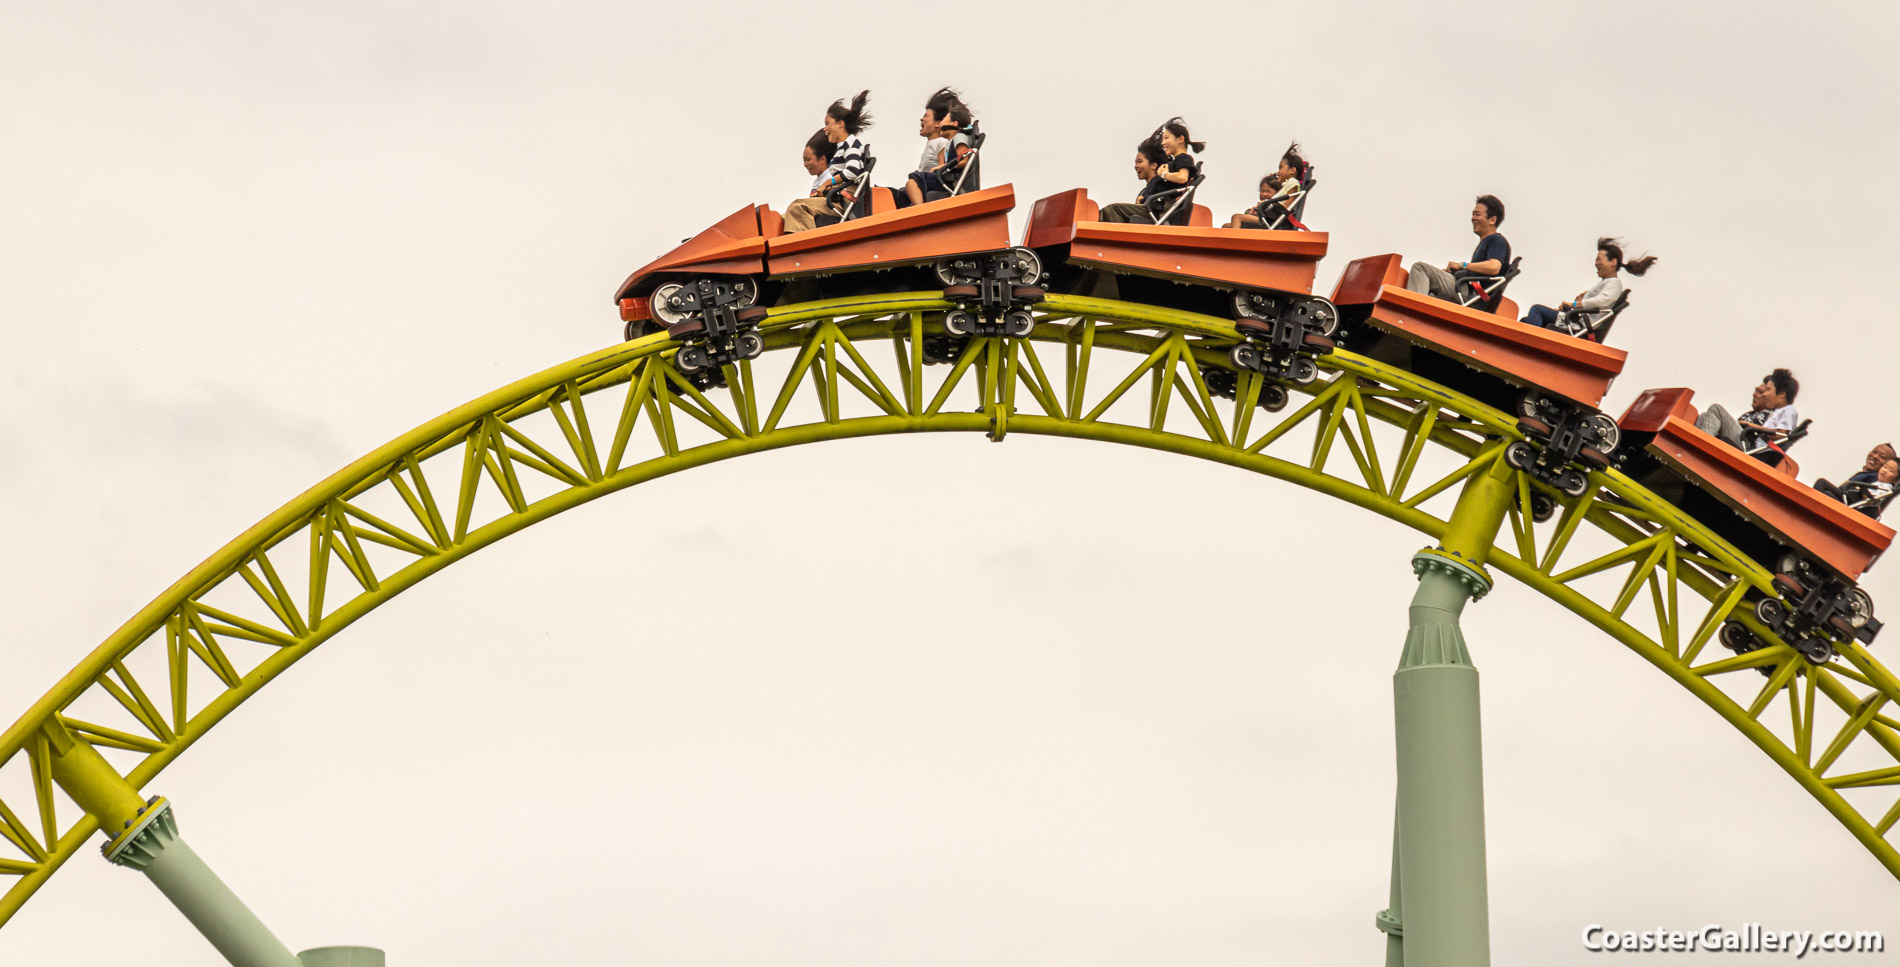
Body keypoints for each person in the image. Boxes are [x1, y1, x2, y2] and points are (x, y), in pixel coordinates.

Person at [1522, 238, 1659, 335]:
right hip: (1574, 320)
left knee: (1537, 310)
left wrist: (1575, 303)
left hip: (1578, 326)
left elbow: (1602, 301)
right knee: (1526, 321)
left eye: (1599, 259)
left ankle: (1527, 342)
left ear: (1613, 262)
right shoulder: (1605, 283)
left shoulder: (1614, 283)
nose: (1596, 263)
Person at [783, 91, 873, 233]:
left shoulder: (852, 144)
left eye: (827, 124)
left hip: (843, 203)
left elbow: (852, 172)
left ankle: (805, 248)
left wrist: (826, 183)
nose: (825, 129)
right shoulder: (841, 148)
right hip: (836, 197)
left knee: (798, 207)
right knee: (783, 217)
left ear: (840, 124)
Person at [1407, 195, 1510, 304]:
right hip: (1471, 289)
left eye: (1477, 214)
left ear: (1492, 220)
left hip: (1474, 293)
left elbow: (1494, 267)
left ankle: (1413, 307)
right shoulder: (1485, 242)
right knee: (1431, 291)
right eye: (1473, 214)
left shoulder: (1497, 240)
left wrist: (1463, 265)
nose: (1473, 218)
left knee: (1421, 269)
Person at [1101, 118, 1203, 225]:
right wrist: (1144, 198)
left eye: (1167, 138)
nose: (1163, 143)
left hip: (1159, 210)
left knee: (1114, 209)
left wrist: (1164, 174)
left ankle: (1118, 238)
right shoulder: (1176, 161)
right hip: (1154, 206)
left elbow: (1183, 178)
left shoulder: (1183, 158)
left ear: (1180, 139)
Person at [1694, 369, 1800, 456]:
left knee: (1716, 408)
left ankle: (1702, 444)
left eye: (1766, 391)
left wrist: (1751, 425)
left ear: (1781, 394)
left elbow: (1781, 435)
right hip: (1742, 438)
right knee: (1704, 416)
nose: (1761, 395)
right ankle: (1693, 446)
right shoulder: (1756, 413)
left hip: (1749, 446)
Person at [903, 89, 976, 206]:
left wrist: (942, 167)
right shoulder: (949, 142)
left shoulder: (957, 138)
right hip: (946, 177)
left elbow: (964, 160)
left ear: (954, 123)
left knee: (913, 181)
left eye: (944, 120)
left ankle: (920, 211)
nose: (941, 124)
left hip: (950, 180)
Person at [1226, 142, 1309, 229]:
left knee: (1236, 217)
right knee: (1226, 226)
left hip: (1271, 221)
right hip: (1269, 218)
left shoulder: (1293, 183)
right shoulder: (1287, 185)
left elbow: (1286, 207)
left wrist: (1266, 205)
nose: (1278, 172)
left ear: (1292, 170)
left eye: (1281, 167)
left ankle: (1238, 242)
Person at [1097, 137, 1169, 223]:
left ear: (1153, 165)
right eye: (1135, 162)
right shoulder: (1145, 190)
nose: (1136, 166)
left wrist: (1144, 199)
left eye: (1139, 162)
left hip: (1155, 217)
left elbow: (1160, 203)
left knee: (1113, 209)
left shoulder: (1160, 182)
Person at [1815, 443, 1896, 502]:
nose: (1875, 456)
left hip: (1848, 503)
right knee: (1827, 493)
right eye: (1874, 452)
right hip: (1842, 498)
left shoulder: (1875, 478)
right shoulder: (1865, 474)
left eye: (1882, 457)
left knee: (1822, 483)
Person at [800, 129, 836, 194]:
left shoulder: (829, 178)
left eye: (808, 159)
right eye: (804, 160)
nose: (805, 164)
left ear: (822, 159)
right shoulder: (818, 180)